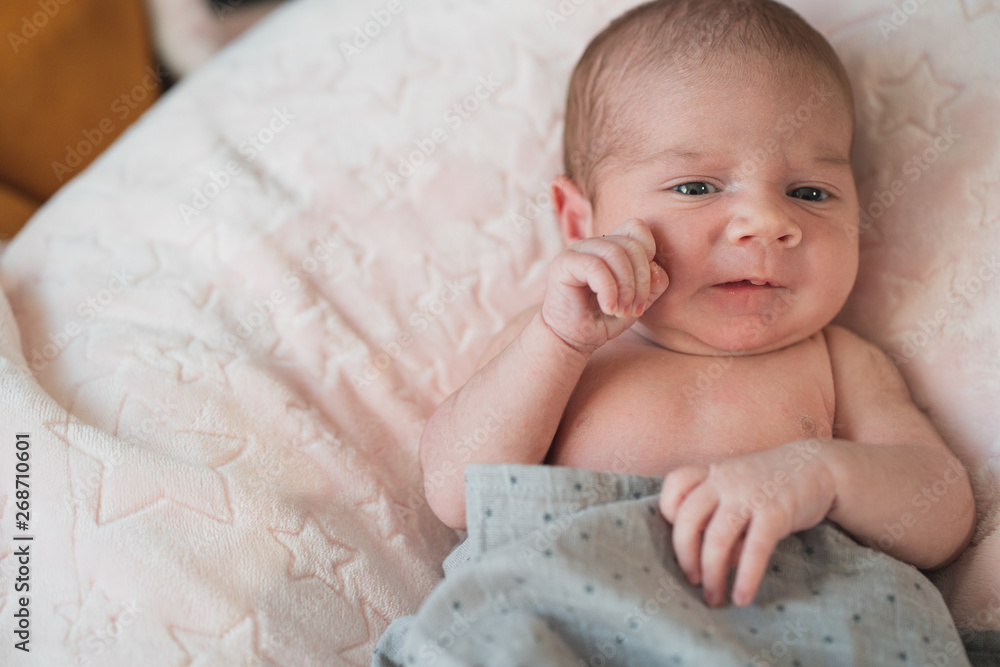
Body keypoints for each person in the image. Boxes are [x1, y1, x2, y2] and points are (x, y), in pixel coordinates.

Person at [419, 0, 975, 609]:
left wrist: (822, 473)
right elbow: (456, 493)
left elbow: (941, 516)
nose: (766, 222)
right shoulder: (558, 341)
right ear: (581, 221)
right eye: (696, 187)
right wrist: (557, 340)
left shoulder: (838, 360)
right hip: (565, 612)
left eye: (810, 192)